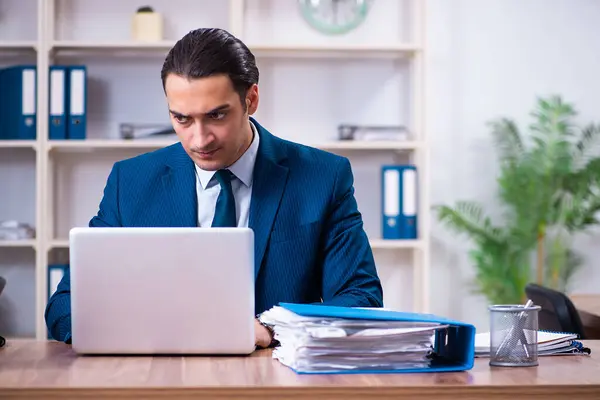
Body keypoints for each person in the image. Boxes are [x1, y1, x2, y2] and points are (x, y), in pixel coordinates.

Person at [45, 28, 384, 349]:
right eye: (182, 119)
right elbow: (65, 304)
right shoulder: (130, 182)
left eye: (217, 116)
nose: (199, 139)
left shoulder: (323, 177)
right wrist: (132, 332)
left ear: (251, 99)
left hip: (276, 379)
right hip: (157, 377)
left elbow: (361, 297)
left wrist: (272, 328)